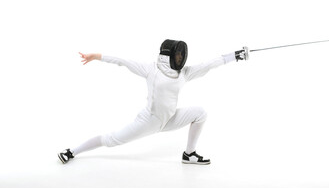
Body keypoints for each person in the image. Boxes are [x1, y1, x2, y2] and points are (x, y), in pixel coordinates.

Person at [58, 39, 248, 165]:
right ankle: (72, 151)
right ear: (169, 55)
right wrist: (97, 56)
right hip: (148, 121)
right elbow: (122, 61)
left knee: (200, 113)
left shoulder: (184, 73)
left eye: (182, 55)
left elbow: (209, 64)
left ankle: (189, 154)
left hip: (169, 119)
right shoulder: (151, 70)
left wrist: (235, 56)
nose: (180, 58)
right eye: (178, 55)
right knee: (111, 140)